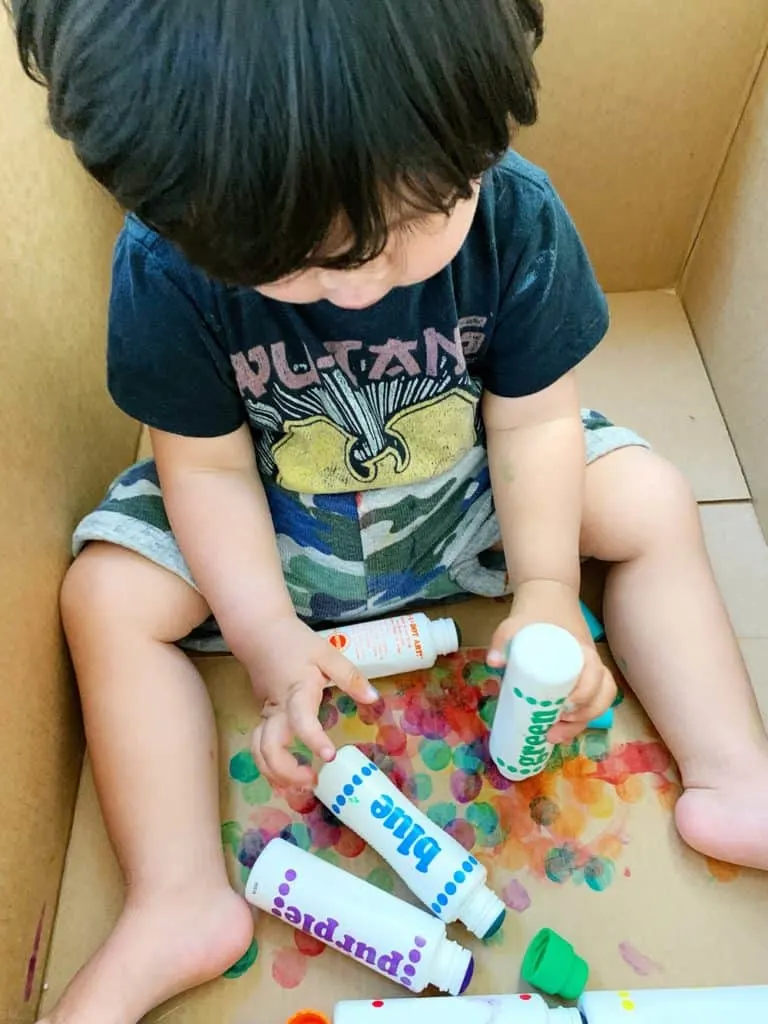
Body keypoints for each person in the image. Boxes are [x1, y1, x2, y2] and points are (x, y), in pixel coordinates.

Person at [12, 1, 768, 1022]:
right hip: (277, 529)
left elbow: (534, 424)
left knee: (647, 497)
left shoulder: (516, 213)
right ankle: (177, 896)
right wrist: (269, 638)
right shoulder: (166, 265)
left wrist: (546, 585)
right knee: (105, 596)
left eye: (427, 215)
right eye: (313, 261)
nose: (371, 279)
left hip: (469, 500)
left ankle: (737, 774)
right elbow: (209, 473)